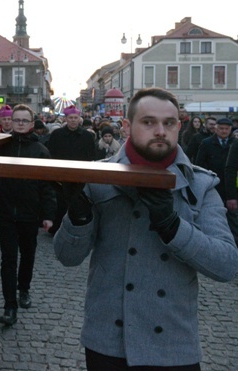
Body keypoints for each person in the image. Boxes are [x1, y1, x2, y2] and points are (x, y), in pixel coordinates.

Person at [54, 87, 238, 370]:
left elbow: (226, 265)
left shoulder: (200, 185)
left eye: (169, 123)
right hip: (109, 341)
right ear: (127, 126)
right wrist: (77, 217)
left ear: (179, 125)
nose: (160, 131)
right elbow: (67, 257)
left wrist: (173, 227)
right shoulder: (97, 177)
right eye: (148, 122)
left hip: (174, 342)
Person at [0, 104, 56, 326]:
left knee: (28, 254)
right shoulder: (1, 146)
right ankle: (9, 305)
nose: (18, 123)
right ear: (8, 121)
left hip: (30, 212)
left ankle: (24, 288)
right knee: (8, 259)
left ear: (31, 123)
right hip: (6, 212)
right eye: (15, 120)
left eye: (23, 120)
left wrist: (48, 215)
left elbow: (48, 186)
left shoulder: (40, 150)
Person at [45, 105, 95, 235]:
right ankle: (57, 227)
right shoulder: (57, 134)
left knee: (78, 201)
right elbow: (51, 153)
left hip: (80, 175)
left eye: (76, 118)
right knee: (60, 202)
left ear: (79, 119)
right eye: (71, 118)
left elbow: (91, 156)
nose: (73, 120)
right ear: (66, 119)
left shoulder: (87, 136)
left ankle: (77, 226)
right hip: (61, 175)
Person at [195, 118, 237, 247]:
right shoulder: (207, 143)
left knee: (232, 218)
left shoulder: (233, 143)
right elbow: (199, 164)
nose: (224, 131)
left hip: (230, 187)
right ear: (216, 129)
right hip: (213, 185)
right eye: (221, 128)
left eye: (227, 129)